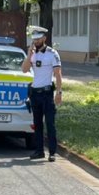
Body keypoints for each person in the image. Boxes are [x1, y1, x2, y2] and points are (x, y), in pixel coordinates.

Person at [20, 25, 62, 161]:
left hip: (47, 92)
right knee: (37, 124)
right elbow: (24, 70)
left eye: (38, 39)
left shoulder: (52, 54)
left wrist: (59, 93)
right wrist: (29, 55)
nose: (36, 42)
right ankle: (39, 151)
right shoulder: (33, 53)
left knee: (50, 123)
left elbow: (58, 74)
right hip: (35, 93)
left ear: (44, 38)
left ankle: (52, 152)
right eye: (34, 40)